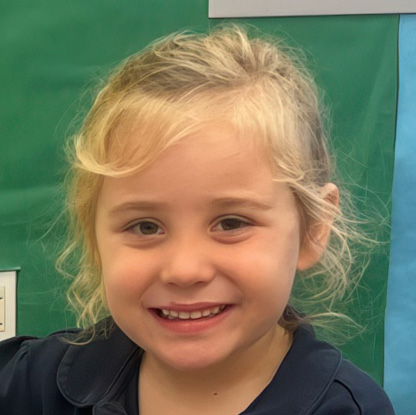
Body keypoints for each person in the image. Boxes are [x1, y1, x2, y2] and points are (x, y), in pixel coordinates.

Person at [0, 25, 394, 414]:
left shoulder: (349, 407)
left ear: (314, 227)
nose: (185, 269)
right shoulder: (35, 382)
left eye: (232, 223)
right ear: (95, 238)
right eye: (146, 227)